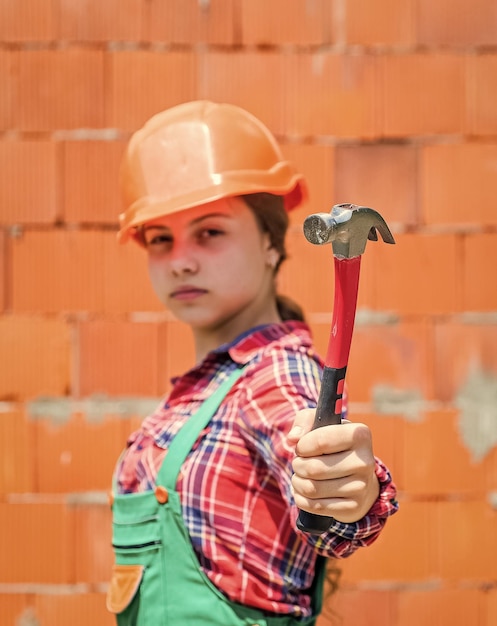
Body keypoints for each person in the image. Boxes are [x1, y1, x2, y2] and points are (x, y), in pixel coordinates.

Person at [106, 100, 398, 625]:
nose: (182, 260)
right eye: (160, 239)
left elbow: (317, 472)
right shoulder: (206, 387)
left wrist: (344, 486)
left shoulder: (274, 373)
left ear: (270, 242)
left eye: (210, 231)